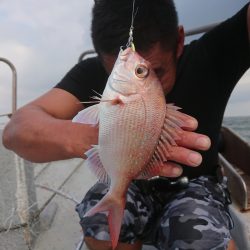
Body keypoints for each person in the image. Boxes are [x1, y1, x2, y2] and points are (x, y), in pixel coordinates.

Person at [2, 0, 249, 249]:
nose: (155, 89)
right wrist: (102, 138)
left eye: (158, 72)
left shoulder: (212, 54)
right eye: (113, 71)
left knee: (202, 240)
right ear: (103, 60)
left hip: (196, 183)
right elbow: (16, 130)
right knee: (100, 227)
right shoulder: (94, 72)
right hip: (131, 183)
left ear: (179, 41)